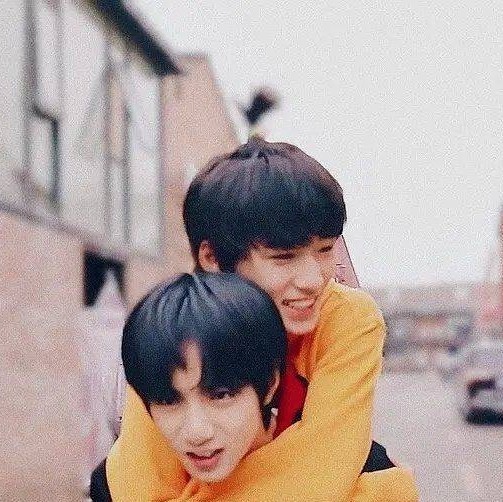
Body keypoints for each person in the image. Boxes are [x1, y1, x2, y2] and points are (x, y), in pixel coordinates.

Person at [106, 138, 418, 501]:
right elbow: (141, 492)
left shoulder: (346, 318)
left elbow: (321, 473)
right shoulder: (176, 328)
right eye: (284, 257)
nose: (314, 279)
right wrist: (378, 493)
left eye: (324, 250)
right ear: (213, 258)